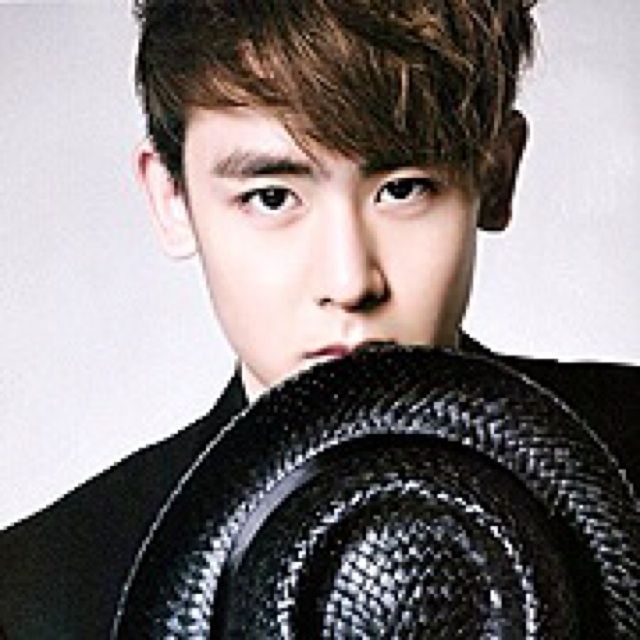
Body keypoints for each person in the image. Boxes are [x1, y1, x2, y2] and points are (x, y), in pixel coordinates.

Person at [1, 0, 637, 637]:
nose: (349, 281)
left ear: (496, 175)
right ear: (172, 198)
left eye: (403, 188)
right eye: (272, 197)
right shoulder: (40, 595)